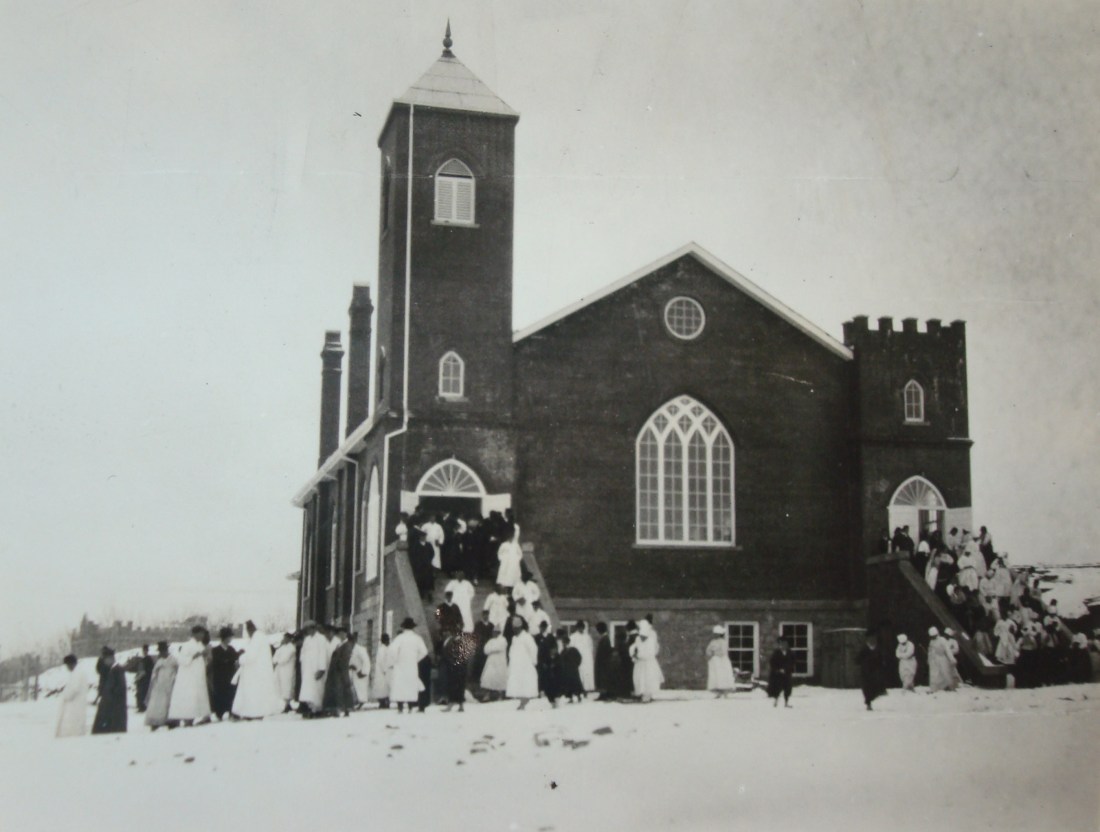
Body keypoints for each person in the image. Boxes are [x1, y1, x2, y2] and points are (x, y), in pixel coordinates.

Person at [231, 621, 283, 719]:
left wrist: (240, 659)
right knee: (257, 693)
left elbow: (251, 656)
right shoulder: (260, 637)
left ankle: (253, 713)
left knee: (253, 693)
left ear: (250, 629)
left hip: (255, 672)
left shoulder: (257, 638)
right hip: (258, 671)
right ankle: (253, 713)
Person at [169, 626, 212, 725]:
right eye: (200, 633)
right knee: (189, 696)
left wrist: (206, 657)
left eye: (203, 633)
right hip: (188, 677)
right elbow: (182, 660)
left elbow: (204, 660)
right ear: (194, 634)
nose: (202, 635)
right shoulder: (187, 645)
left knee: (199, 696)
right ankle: (187, 718)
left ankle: (202, 716)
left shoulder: (201, 645)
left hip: (198, 676)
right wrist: (195, 656)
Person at [390, 618, 429, 713]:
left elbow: (392, 650)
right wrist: (416, 659)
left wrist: (396, 659)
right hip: (412, 665)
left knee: (400, 685)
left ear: (403, 627)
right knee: (411, 684)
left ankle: (400, 707)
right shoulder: (417, 638)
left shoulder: (399, 638)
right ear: (413, 627)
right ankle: (410, 707)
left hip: (400, 665)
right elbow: (424, 652)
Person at [506, 617, 539, 709]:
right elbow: (512, 651)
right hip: (516, 664)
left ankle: (524, 701)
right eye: (513, 628)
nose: (514, 630)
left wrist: (533, 662)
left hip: (525, 664)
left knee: (526, 683)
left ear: (520, 627)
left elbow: (533, 649)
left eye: (515, 628)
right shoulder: (514, 638)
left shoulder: (527, 637)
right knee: (518, 683)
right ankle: (522, 701)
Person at [92, 647, 127, 734]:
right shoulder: (113, 670)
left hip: (115, 708)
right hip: (110, 706)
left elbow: (120, 689)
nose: (104, 662)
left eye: (105, 660)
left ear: (110, 658)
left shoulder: (118, 670)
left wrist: (109, 698)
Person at [144, 642, 178, 730]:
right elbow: (154, 672)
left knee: (169, 703)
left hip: (170, 683)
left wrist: (174, 679)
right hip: (160, 685)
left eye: (163, 651)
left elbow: (177, 670)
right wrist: (154, 682)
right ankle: (155, 722)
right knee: (158, 703)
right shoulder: (159, 661)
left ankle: (171, 721)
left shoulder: (173, 659)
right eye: (160, 651)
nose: (161, 653)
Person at [297, 621, 329, 716]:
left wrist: (321, 669)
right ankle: (311, 708)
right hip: (307, 669)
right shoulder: (307, 639)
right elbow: (302, 653)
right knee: (308, 691)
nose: (307, 631)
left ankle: (318, 710)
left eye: (309, 629)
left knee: (317, 689)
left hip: (317, 669)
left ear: (313, 628)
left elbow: (323, 654)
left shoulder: (321, 639)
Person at [209, 626, 240, 721]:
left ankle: (231, 711)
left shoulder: (231, 649)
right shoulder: (216, 650)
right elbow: (216, 663)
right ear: (225, 638)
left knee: (231, 693)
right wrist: (227, 661)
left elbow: (235, 659)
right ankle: (219, 713)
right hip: (220, 677)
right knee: (220, 694)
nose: (230, 639)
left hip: (230, 675)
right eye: (229, 637)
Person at [630, 620, 664, 703]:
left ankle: (647, 694)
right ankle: (640, 693)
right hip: (640, 663)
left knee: (648, 678)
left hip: (648, 663)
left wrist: (639, 655)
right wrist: (633, 654)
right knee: (639, 678)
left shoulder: (650, 640)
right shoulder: (638, 639)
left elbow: (650, 653)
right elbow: (634, 648)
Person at [56, 655, 89, 738]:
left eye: (67, 665)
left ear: (71, 664)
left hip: (74, 705)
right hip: (77, 704)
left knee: (72, 728)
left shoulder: (77, 673)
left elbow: (74, 689)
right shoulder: (79, 672)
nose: (67, 668)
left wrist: (65, 696)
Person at [857, 632, 887, 710]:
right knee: (867, 687)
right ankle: (868, 703)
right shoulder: (864, 649)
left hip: (873, 671)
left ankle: (870, 700)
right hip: (866, 671)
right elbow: (858, 659)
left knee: (872, 686)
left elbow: (880, 659)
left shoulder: (876, 649)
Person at [705, 625, 736, 697]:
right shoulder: (720, 642)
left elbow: (709, 651)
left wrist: (713, 654)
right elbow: (708, 651)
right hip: (719, 659)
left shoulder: (717, 642)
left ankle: (724, 692)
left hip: (720, 659)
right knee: (719, 675)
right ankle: (720, 692)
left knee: (722, 675)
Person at [479, 627, 509, 700]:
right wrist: (492, 649)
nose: (494, 633)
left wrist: (491, 649)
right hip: (491, 662)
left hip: (500, 662)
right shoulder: (491, 641)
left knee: (500, 678)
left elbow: (499, 648)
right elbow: (485, 650)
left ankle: (500, 695)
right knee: (488, 677)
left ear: (498, 632)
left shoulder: (503, 640)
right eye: (493, 632)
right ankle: (487, 695)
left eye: (495, 632)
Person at [767, 637, 795, 708]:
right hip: (778, 674)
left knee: (788, 688)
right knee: (777, 687)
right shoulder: (776, 653)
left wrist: (788, 669)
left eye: (785, 644)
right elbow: (772, 662)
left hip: (787, 673)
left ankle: (786, 702)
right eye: (781, 644)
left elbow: (793, 662)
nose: (783, 646)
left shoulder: (790, 653)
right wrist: (778, 669)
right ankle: (776, 701)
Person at [926, 627, 957, 692]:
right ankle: (933, 688)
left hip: (942, 658)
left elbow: (947, 650)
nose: (933, 637)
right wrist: (929, 659)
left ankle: (950, 687)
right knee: (934, 674)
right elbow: (930, 652)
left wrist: (952, 659)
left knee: (946, 673)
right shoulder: (931, 642)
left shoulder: (942, 640)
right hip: (934, 659)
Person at [272, 633, 297, 712]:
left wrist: (278, 660)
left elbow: (284, 659)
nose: (284, 639)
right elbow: (274, 658)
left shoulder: (292, 648)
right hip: (280, 670)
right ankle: (286, 704)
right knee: (281, 686)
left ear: (289, 639)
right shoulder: (281, 648)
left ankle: (287, 704)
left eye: (285, 638)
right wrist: (277, 660)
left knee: (287, 686)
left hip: (288, 670)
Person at [349, 633, 372, 708]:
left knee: (360, 688)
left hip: (360, 672)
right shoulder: (348, 649)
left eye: (352, 640)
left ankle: (361, 702)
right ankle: (354, 702)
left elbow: (366, 661)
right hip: (351, 672)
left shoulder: (361, 649)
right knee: (353, 688)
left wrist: (363, 672)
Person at [573, 621, 596, 693]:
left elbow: (591, 647)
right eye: (579, 628)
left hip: (587, 657)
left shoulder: (587, 637)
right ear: (577, 628)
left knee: (587, 671)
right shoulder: (573, 637)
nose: (581, 629)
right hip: (577, 657)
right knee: (579, 672)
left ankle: (587, 687)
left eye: (582, 628)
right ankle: (579, 687)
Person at [594, 622, 614, 699]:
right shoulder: (604, 638)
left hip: (603, 663)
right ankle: (603, 694)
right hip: (603, 662)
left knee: (603, 679)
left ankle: (604, 694)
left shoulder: (605, 639)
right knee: (602, 679)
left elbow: (604, 652)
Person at [372, 633, 392, 709]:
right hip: (382, 671)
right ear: (385, 640)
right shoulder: (381, 649)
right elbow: (381, 661)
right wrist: (384, 670)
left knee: (385, 688)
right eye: (388, 639)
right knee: (382, 688)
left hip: (385, 671)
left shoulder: (386, 648)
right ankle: (383, 702)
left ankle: (385, 702)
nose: (389, 641)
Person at [134, 644, 154, 713]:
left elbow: (143, 671)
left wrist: (138, 678)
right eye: (144, 650)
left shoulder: (146, 659)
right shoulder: (147, 659)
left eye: (145, 650)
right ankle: (142, 706)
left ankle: (142, 707)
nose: (144, 651)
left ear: (147, 650)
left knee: (142, 693)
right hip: (145, 679)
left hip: (144, 679)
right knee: (143, 693)